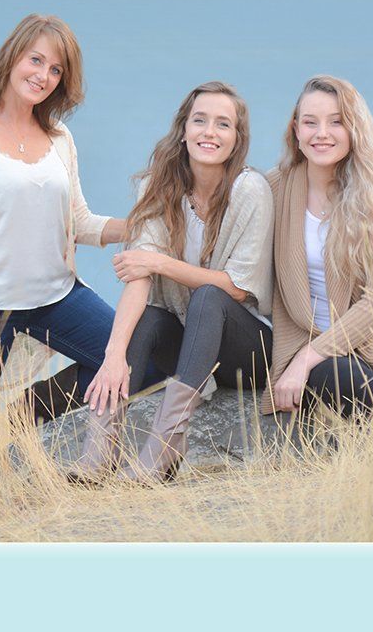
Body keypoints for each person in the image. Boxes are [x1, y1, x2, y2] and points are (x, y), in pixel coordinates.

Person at [0, 13, 125, 478]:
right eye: (36, 60)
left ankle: (31, 409)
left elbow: (79, 222)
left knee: (130, 360)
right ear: (12, 56)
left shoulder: (59, 138)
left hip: (57, 297)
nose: (43, 76)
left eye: (56, 70)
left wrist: (141, 224)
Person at [78, 81, 274, 482]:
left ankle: (167, 445)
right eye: (199, 120)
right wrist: (114, 356)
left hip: (248, 351)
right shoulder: (159, 186)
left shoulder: (250, 190)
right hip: (193, 348)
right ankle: (101, 448)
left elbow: (236, 288)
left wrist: (160, 263)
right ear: (183, 129)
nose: (209, 132)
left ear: (237, 140)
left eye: (223, 124)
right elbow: (139, 275)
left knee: (208, 295)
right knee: (148, 316)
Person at [262, 75, 373, 428]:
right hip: (323, 353)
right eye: (310, 122)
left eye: (336, 121)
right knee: (338, 377)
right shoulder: (275, 188)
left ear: (355, 128)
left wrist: (304, 361)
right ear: (295, 130)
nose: (321, 133)